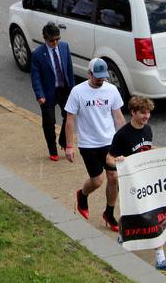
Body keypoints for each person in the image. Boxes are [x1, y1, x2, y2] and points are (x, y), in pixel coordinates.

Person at [107, 96, 166, 277]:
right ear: (133, 112)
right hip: (130, 184)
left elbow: (146, 150)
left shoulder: (147, 130)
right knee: (128, 215)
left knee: (153, 217)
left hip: (147, 182)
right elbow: (109, 158)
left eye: (148, 112)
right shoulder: (123, 135)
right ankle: (123, 239)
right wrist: (118, 161)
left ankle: (160, 260)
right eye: (142, 112)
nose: (146, 116)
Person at [65, 58, 125, 231]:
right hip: (89, 144)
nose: (101, 79)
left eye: (103, 77)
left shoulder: (111, 90)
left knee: (114, 178)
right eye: (97, 76)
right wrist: (69, 146)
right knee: (98, 181)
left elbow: (118, 116)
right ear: (89, 74)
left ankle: (109, 213)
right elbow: (70, 120)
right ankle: (82, 195)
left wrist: (124, 141)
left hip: (110, 142)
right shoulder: (78, 92)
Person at [30, 22, 75, 161]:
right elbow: (35, 76)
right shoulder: (38, 54)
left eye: (57, 39)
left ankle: (63, 140)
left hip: (64, 89)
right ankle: (52, 149)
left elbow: (69, 69)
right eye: (52, 40)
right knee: (49, 122)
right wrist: (39, 95)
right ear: (45, 38)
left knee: (69, 116)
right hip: (48, 93)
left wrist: (73, 90)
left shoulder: (64, 47)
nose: (55, 42)